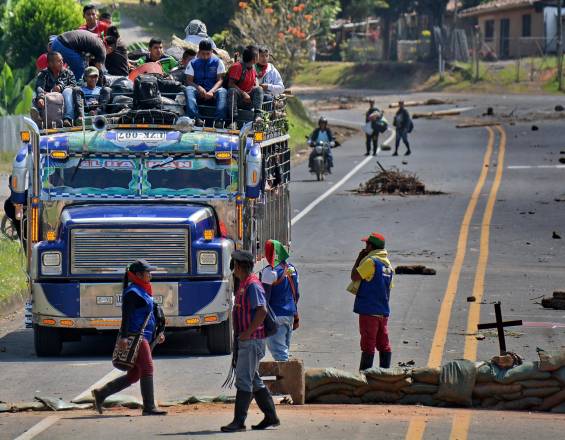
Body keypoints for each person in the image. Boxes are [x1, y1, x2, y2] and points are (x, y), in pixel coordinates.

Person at [92, 259, 167, 416]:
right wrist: (124, 337)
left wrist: (159, 332)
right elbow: (126, 317)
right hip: (137, 337)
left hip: (145, 335)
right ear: (139, 275)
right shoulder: (132, 293)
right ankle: (149, 407)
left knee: (134, 375)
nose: (150, 276)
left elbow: (151, 315)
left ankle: (101, 393)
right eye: (148, 273)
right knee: (147, 368)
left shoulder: (143, 290)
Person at [221, 250, 280, 433]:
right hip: (247, 341)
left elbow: (261, 311)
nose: (233, 269)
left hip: (252, 341)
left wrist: (247, 333)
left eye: (234, 265)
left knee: (244, 380)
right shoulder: (245, 284)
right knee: (253, 380)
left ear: (239, 266)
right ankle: (271, 416)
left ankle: (239, 422)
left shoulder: (252, 285)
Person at [348, 232, 394, 371]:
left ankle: (365, 376)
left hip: (369, 311)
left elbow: (354, 276)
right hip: (382, 311)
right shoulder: (388, 265)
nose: (364, 247)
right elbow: (388, 289)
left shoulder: (371, 261)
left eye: (366, 245)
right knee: (383, 343)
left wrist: (359, 257)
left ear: (371, 247)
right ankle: (385, 376)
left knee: (368, 344)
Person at [260, 240, 299, 362]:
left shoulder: (269, 272)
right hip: (290, 315)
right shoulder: (291, 268)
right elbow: (296, 294)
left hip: (276, 317)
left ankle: (290, 380)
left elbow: (263, 298)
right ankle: (287, 379)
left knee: (280, 355)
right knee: (284, 351)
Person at [184, 39, 227, 127]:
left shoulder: (218, 62)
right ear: (199, 52)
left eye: (208, 54)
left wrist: (212, 91)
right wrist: (198, 88)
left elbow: (220, 80)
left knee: (222, 91)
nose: (205, 56)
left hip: (213, 93)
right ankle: (195, 119)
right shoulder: (192, 63)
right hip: (198, 92)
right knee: (188, 89)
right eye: (203, 54)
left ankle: (219, 121)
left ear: (211, 52)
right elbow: (189, 81)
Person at [34, 52, 77, 127]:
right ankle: (39, 117)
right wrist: (41, 98)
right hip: (48, 100)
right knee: (34, 96)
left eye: (62, 60)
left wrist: (61, 87)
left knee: (68, 91)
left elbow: (74, 85)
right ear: (50, 63)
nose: (62, 62)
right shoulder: (43, 74)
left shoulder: (68, 73)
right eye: (59, 61)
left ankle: (68, 118)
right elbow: (39, 87)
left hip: (64, 100)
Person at [226, 45, 264, 126]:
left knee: (259, 89)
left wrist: (255, 88)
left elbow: (255, 81)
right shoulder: (237, 66)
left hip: (249, 99)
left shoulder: (252, 67)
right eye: (258, 55)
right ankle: (233, 121)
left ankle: (257, 116)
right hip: (238, 98)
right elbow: (230, 84)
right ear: (254, 59)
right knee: (232, 91)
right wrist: (244, 94)